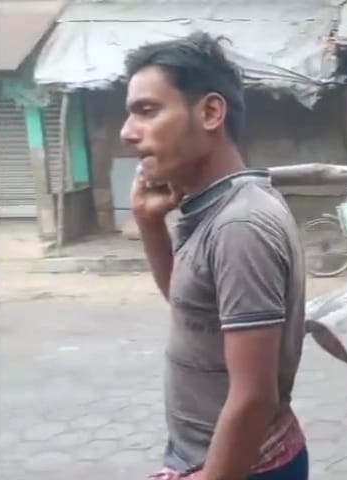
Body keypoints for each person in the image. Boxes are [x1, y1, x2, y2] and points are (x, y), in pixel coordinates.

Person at [122, 32, 308, 480]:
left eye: (147, 111)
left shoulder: (239, 225)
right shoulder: (215, 206)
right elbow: (195, 309)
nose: (128, 133)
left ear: (209, 112)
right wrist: (150, 226)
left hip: (243, 466)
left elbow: (252, 397)